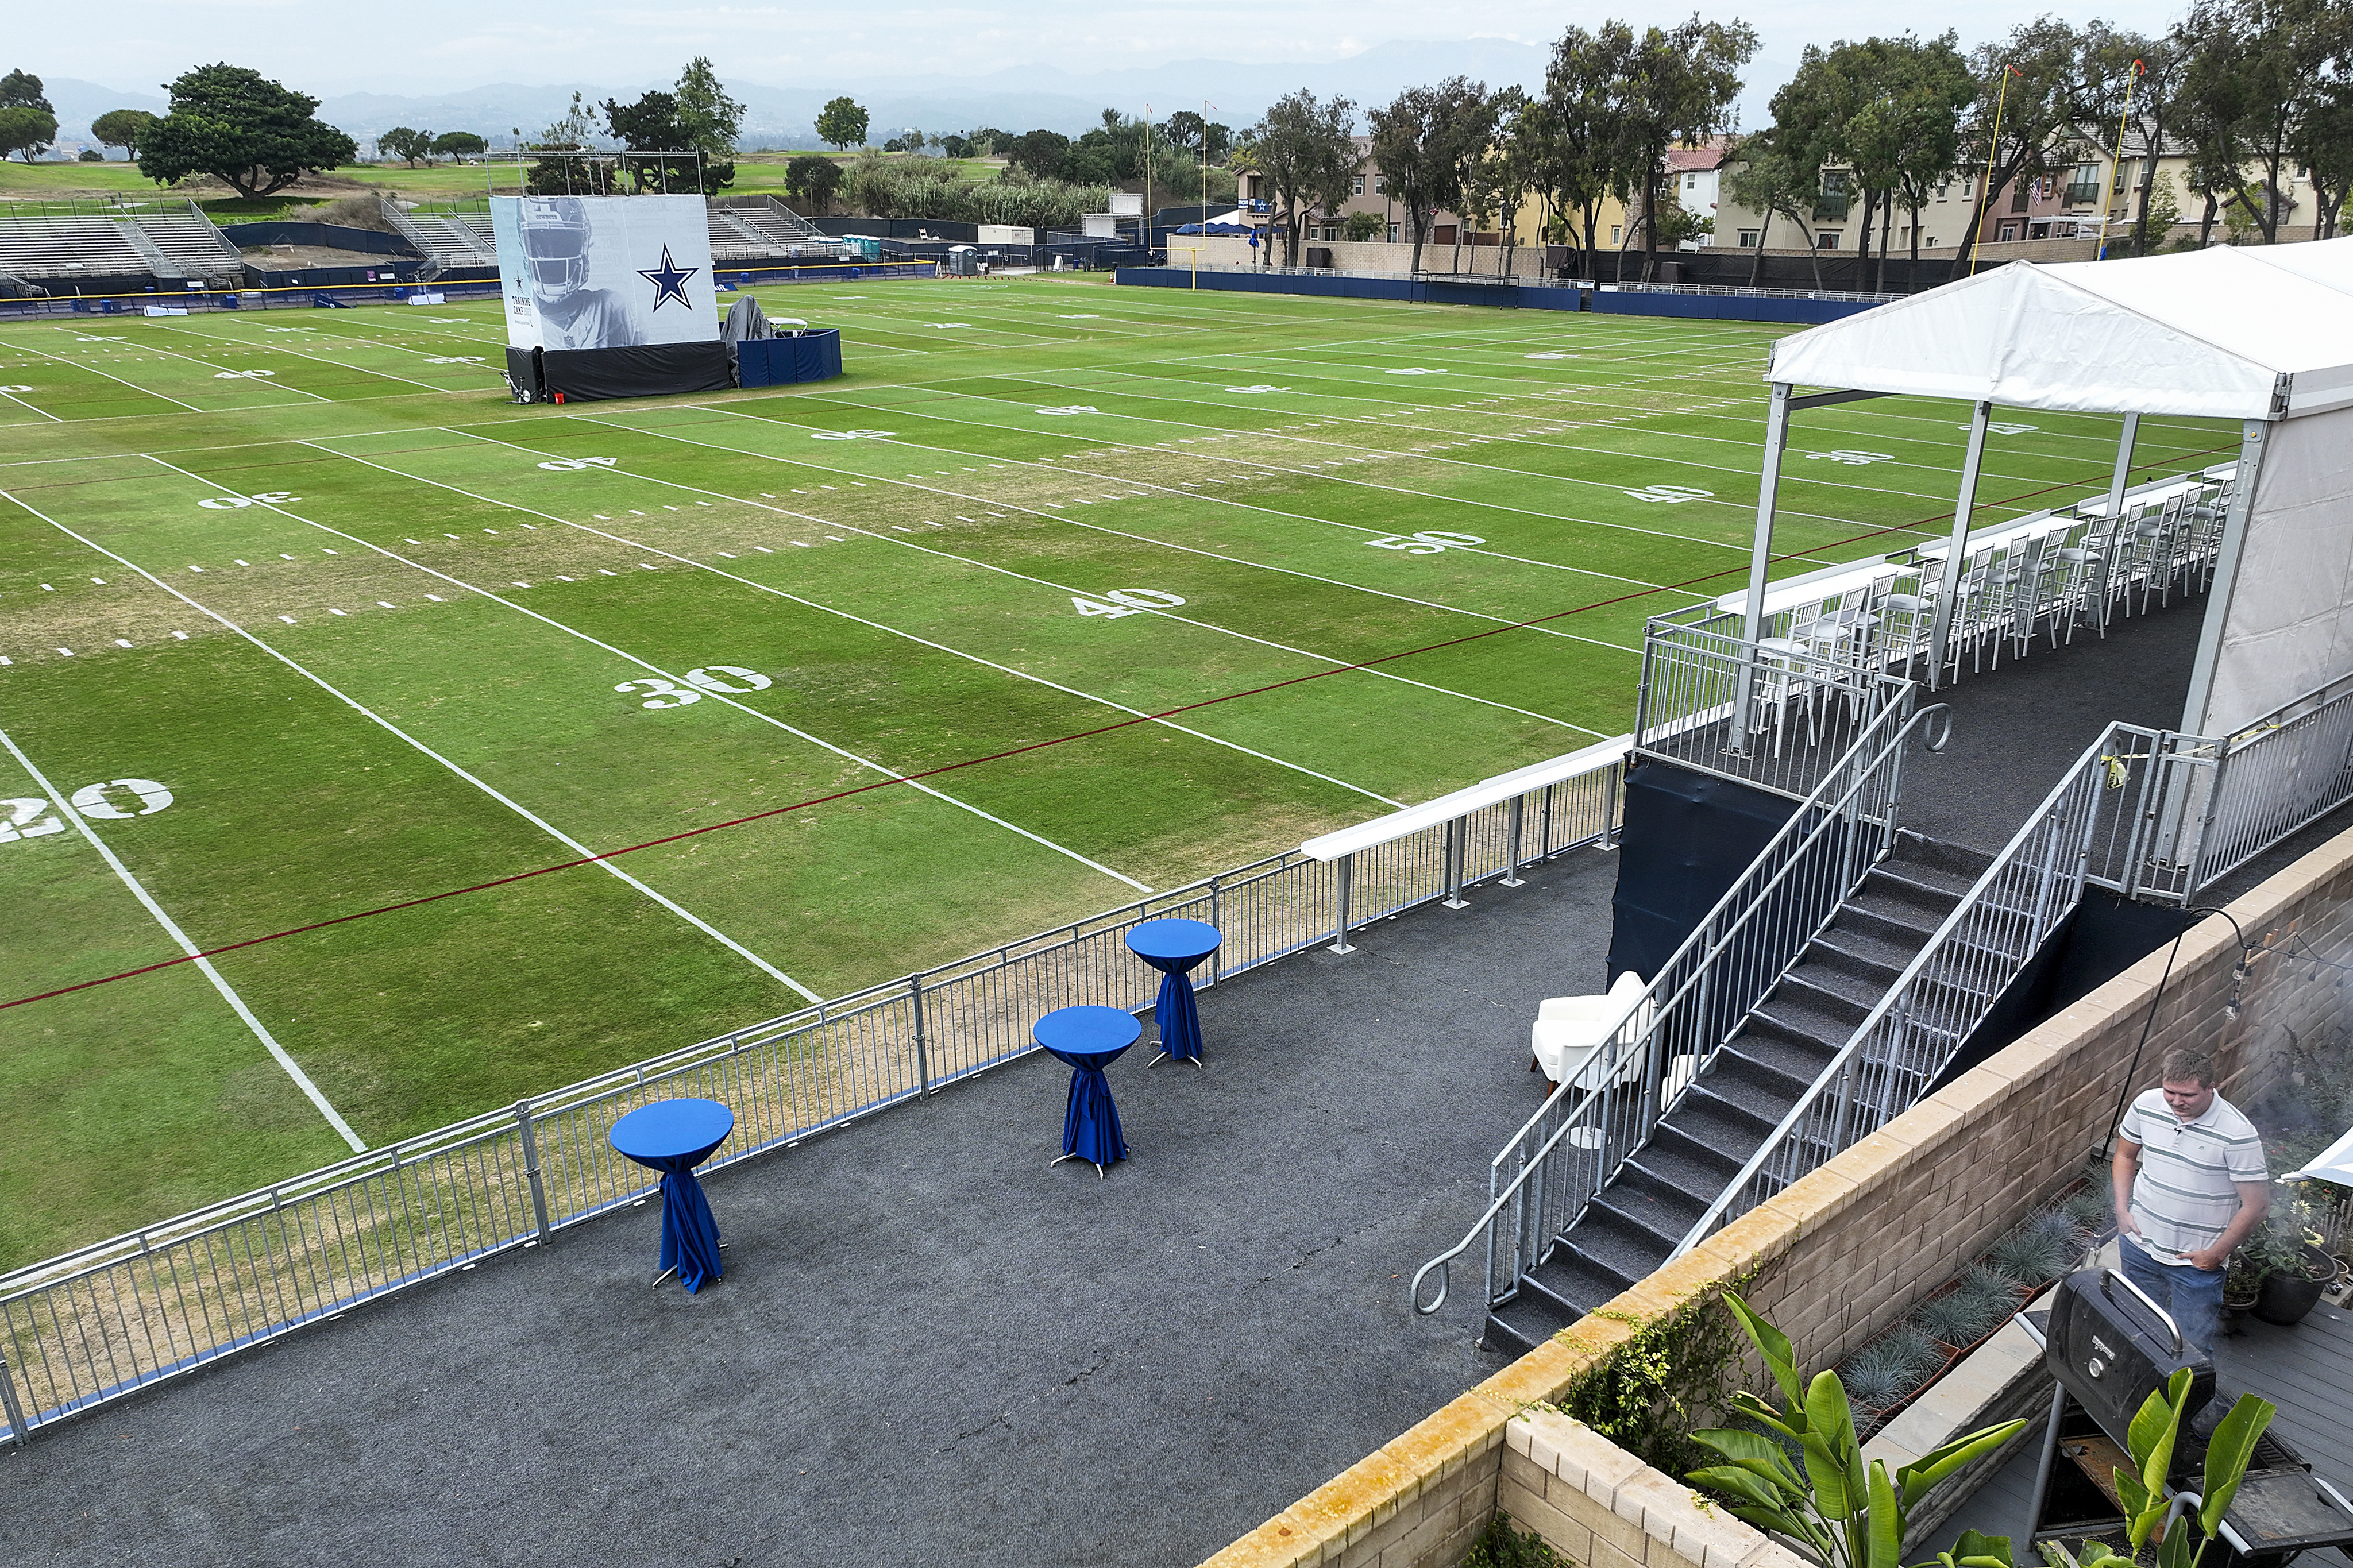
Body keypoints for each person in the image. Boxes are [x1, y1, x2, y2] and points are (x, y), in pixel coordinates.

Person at [2112, 1046, 2269, 1352]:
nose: (2176, 1102)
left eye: (2188, 1095)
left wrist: (2215, 1255)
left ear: (2212, 1088)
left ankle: (2186, 1401)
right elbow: (2124, 1154)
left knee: (2191, 1348)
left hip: (2195, 1265)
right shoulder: (2146, 1104)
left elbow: (2257, 1205)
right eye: (2170, 1092)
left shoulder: (2238, 1134)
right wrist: (2121, 1209)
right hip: (2139, 1246)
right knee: (2138, 1332)